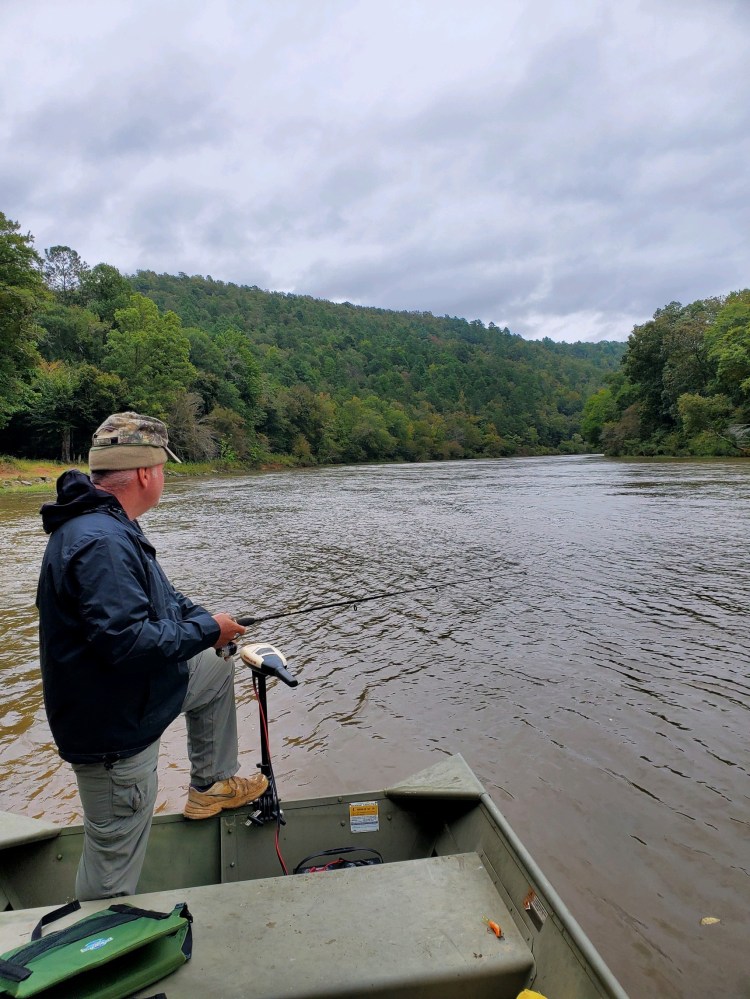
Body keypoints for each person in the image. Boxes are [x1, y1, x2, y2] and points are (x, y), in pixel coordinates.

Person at [36, 411, 268, 900]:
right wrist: (208, 628)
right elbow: (127, 643)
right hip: (113, 736)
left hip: (127, 700)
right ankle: (92, 950)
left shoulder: (104, 524)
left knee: (213, 667)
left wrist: (209, 628)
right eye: (163, 468)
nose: (163, 477)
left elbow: (164, 599)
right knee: (112, 860)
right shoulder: (102, 541)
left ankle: (211, 786)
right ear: (146, 472)